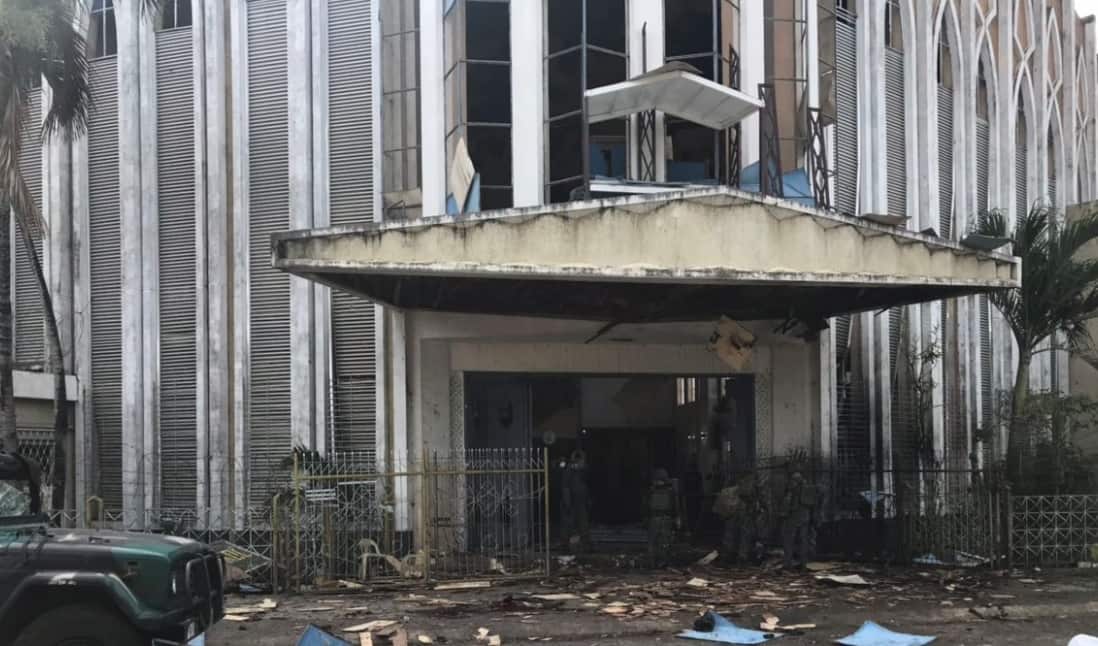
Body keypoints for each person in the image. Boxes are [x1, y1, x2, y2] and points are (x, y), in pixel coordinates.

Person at [780, 471, 812, 569]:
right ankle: (804, 564)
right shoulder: (808, 490)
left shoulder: (792, 490)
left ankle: (787, 564)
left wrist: (783, 514)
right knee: (803, 541)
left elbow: (787, 505)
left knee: (788, 541)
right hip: (805, 517)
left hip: (793, 518)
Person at [647, 468, 679, 566]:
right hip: (658, 518)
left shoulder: (670, 492)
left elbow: (675, 506)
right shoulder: (652, 491)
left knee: (662, 542)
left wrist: (677, 517)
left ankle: (660, 562)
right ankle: (656, 562)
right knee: (658, 541)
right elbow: (646, 505)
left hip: (663, 518)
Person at [560, 450, 590, 550]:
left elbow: (585, 485)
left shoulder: (583, 471)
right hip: (572, 501)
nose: (582, 463)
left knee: (583, 523)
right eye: (581, 461)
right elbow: (565, 487)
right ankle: (565, 544)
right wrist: (567, 502)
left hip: (580, 501)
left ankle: (584, 544)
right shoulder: (569, 470)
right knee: (569, 524)